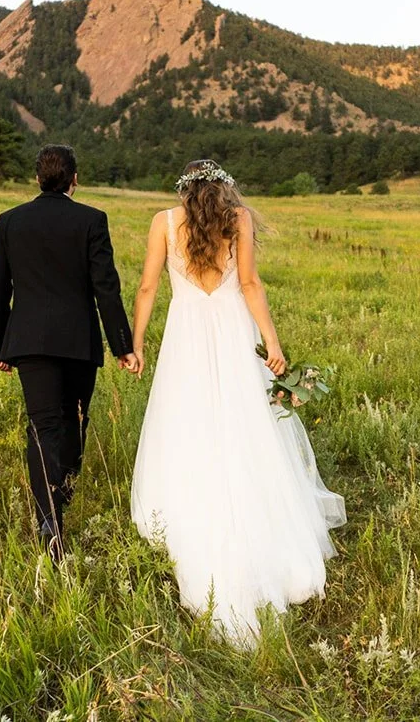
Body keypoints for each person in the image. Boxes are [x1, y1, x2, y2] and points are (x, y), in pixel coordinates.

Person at [129, 159, 345, 647]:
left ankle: (192, 523)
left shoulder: (163, 223)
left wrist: (137, 344)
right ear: (223, 190)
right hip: (230, 336)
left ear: (184, 192)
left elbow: (147, 287)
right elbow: (249, 284)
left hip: (185, 341)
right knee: (246, 431)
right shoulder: (239, 220)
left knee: (188, 430)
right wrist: (273, 345)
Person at [0, 144, 140, 561]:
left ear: (38, 179)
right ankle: (60, 499)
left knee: (43, 426)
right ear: (75, 179)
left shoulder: (10, 222)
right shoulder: (91, 220)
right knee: (74, 420)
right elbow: (107, 288)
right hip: (77, 341)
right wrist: (123, 346)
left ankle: (49, 517)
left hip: (30, 342)